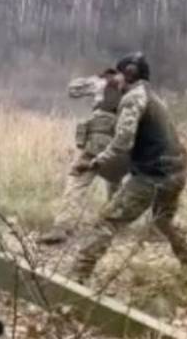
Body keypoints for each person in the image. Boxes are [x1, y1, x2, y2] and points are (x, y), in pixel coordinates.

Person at [69, 52, 187, 283]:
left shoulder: (132, 99)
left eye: (116, 74)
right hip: (176, 172)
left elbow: (123, 141)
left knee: (106, 222)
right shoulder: (154, 98)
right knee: (163, 220)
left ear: (123, 75)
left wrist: (95, 162)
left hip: (152, 176)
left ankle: (76, 277)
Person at [38, 68, 129, 245]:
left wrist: (97, 77)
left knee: (77, 180)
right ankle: (113, 227)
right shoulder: (134, 90)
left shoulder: (101, 83)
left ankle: (61, 227)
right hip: (119, 142)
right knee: (115, 184)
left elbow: (73, 89)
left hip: (97, 142)